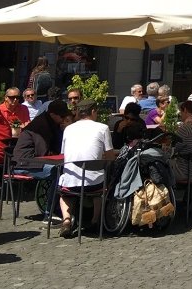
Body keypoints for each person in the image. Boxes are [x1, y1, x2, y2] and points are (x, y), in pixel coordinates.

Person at [57, 101, 116, 237]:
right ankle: (95, 220)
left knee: (65, 194)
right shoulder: (103, 128)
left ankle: (66, 220)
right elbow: (110, 157)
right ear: (93, 111)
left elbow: (64, 154)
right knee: (101, 182)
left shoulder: (68, 129)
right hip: (93, 184)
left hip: (70, 181)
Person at [12, 100, 73, 221]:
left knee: (61, 169)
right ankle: (50, 212)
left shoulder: (51, 123)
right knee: (57, 172)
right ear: (52, 115)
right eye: (61, 116)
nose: (63, 119)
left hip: (32, 161)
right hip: (24, 164)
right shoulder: (41, 125)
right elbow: (43, 153)